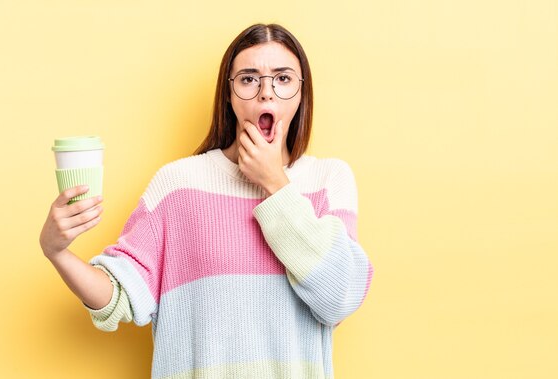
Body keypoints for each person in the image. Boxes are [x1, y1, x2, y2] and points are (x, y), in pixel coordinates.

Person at [39, 23, 374, 379]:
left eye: (283, 78)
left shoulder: (328, 180)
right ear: (228, 95)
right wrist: (56, 251)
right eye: (248, 79)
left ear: (301, 94)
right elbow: (118, 296)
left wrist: (275, 183)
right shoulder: (178, 185)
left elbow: (339, 298)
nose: (266, 93)